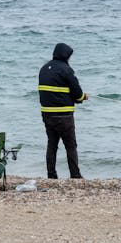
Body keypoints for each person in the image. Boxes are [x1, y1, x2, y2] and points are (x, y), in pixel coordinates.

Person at [38, 42, 88, 178]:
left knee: (52, 144)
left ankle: (51, 175)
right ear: (65, 55)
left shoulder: (43, 69)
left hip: (47, 115)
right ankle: (75, 175)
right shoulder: (66, 70)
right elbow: (77, 94)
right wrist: (83, 97)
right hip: (64, 116)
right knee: (71, 145)